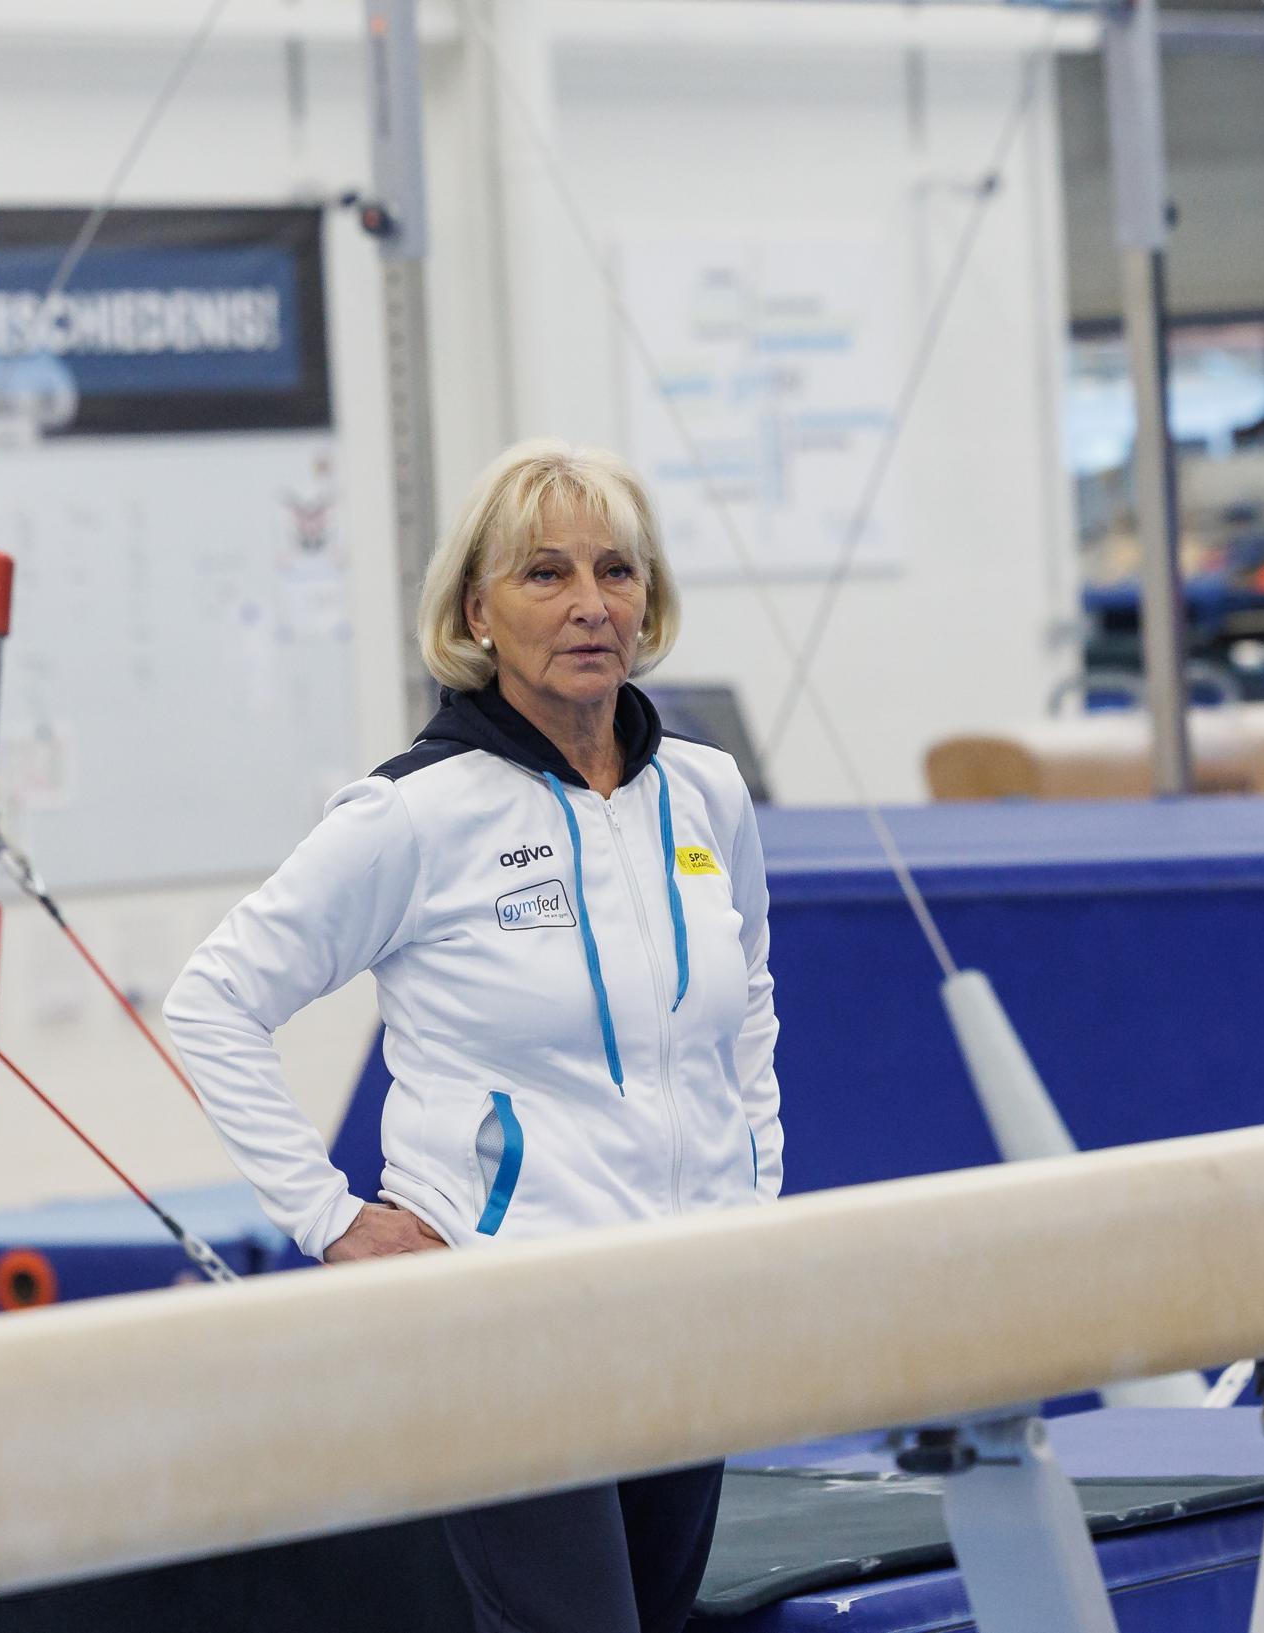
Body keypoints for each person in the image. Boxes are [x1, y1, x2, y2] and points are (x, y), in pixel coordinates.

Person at [164, 440, 784, 1633]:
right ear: (474, 611)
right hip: (505, 1314)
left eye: (615, 570)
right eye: (544, 573)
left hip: (686, 1298)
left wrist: (752, 1183)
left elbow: (747, 993)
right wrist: (328, 1216)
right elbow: (213, 1000)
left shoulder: (705, 796)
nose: (589, 604)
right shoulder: (412, 816)